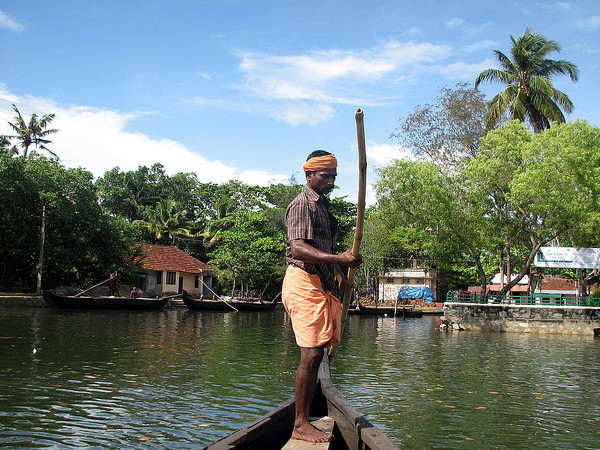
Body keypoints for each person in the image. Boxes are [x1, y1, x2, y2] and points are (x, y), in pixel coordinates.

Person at [282, 150, 362, 443]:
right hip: (302, 281)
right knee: (312, 352)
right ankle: (300, 423)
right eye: (325, 176)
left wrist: (340, 272)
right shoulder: (301, 204)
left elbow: (325, 248)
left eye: (333, 176)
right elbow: (299, 249)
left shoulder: (323, 207)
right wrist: (337, 258)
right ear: (309, 175)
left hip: (320, 283)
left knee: (318, 352)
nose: (330, 181)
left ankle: (304, 417)